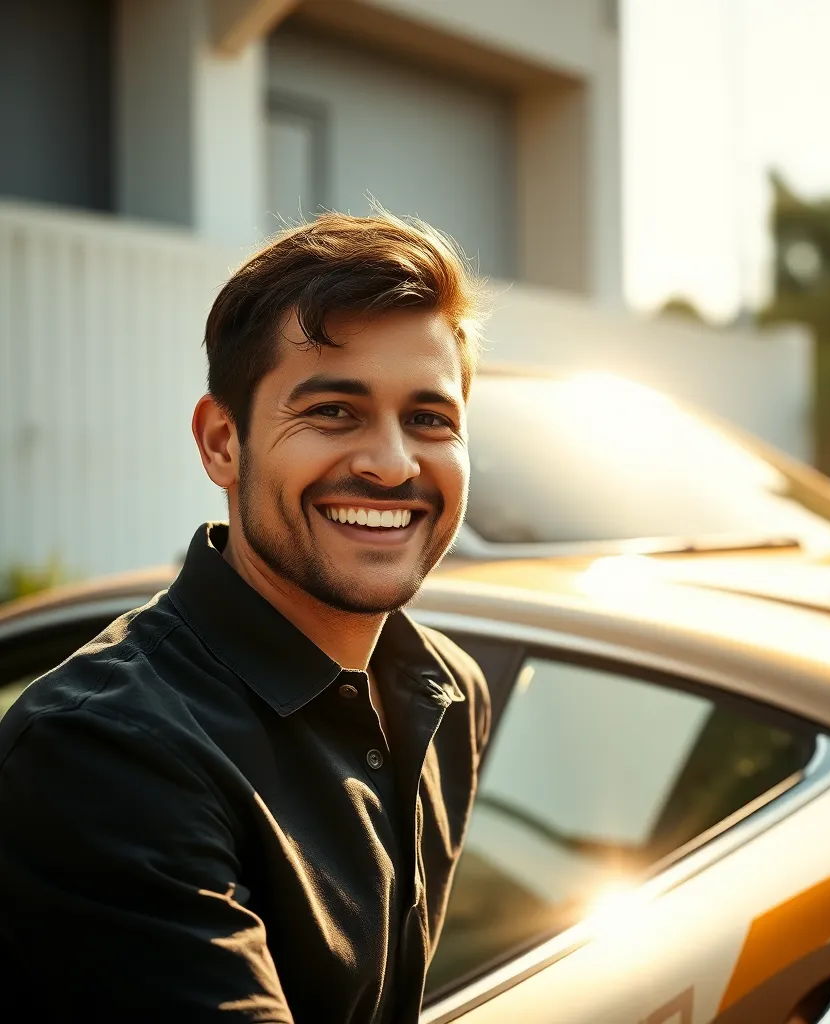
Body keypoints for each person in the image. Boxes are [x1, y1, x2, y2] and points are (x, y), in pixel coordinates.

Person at [0, 212, 491, 1022]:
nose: (392, 463)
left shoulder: (447, 693)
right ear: (223, 441)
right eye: (333, 411)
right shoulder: (102, 752)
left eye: (430, 418)